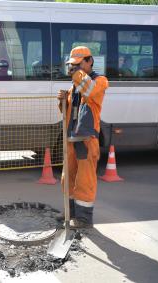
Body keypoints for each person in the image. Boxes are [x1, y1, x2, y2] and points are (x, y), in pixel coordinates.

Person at [57, 46, 109, 229]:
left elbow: (90, 91)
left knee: (85, 180)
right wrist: (62, 101)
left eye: (78, 64)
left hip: (87, 140)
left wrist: (77, 75)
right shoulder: (75, 87)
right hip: (72, 139)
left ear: (90, 61)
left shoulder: (100, 81)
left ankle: (84, 219)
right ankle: (69, 212)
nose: (74, 69)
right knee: (68, 177)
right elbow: (68, 113)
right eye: (72, 65)